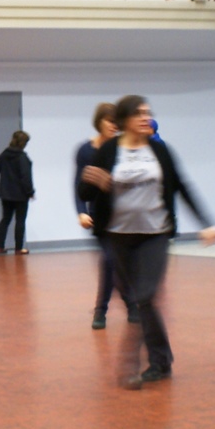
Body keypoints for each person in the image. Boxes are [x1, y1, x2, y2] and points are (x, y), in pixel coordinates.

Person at [79, 96, 215, 388]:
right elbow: (85, 192)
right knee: (139, 300)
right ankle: (161, 359)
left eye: (147, 113)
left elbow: (181, 186)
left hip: (155, 234)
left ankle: (135, 361)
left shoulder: (159, 150)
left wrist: (205, 222)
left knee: (145, 295)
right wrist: (95, 183)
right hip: (118, 236)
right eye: (139, 114)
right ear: (124, 120)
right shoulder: (108, 150)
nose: (146, 118)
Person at [75, 102, 135, 330]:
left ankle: (128, 303)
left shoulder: (122, 148)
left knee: (119, 263)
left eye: (116, 122)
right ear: (99, 122)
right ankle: (102, 310)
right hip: (99, 216)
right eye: (110, 121)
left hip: (123, 215)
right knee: (110, 260)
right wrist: (81, 211)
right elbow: (79, 184)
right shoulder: (86, 150)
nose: (114, 126)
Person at [0, 130, 35, 254]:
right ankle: (18, 248)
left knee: (5, 219)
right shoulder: (22, 157)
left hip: (6, 194)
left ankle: (0, 247)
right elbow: (26, 177)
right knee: (20, 221)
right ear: (24, 143)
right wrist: (30, 192)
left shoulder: (5, 154)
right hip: (20, 195)